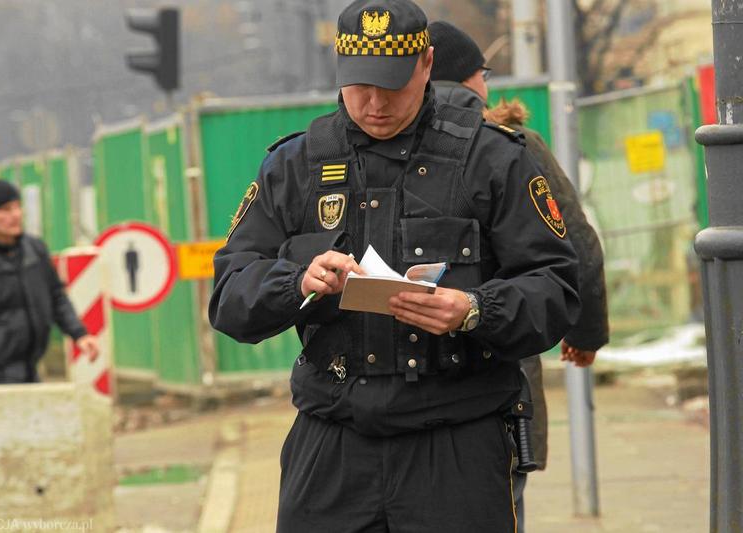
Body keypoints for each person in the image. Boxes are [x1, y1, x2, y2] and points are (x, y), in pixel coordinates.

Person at [210, 0, 581, 530]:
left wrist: (476, 311)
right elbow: (229, 296)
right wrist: (296, 282)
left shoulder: (492, 158)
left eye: (392, 83)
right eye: (359, 84)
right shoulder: (294, 166)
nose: (375, 102)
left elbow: (558, 288)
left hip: (454, 445)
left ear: (426, 64)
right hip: (330, 446)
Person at [429, 20, 610, 532]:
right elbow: (577, 247)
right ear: (471, 81)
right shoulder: (514, 146)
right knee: (500, 506)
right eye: (483, 74)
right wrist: (585, 334)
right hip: (501, 383)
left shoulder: (375, 145)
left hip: (389, 397)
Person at [0, 180, 99, 385]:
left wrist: (79, 334)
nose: (15, 215)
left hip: (29, 365)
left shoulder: (35, 251)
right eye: (5, 210)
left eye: (17, 207)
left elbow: (56, 296)